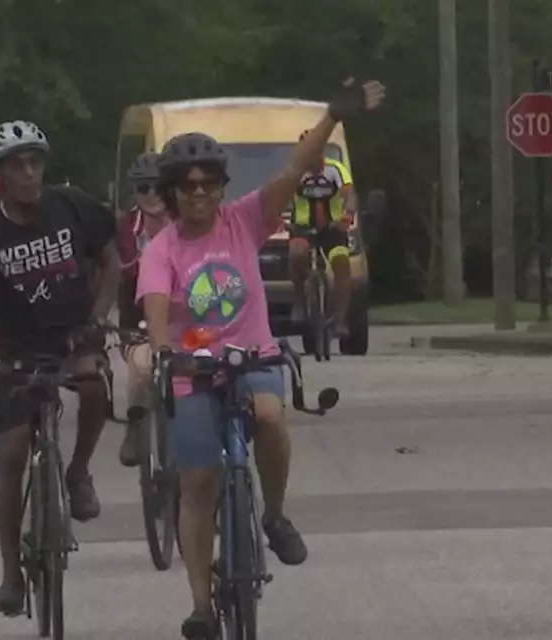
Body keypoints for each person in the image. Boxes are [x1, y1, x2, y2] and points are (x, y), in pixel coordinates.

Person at [136, 79, 385, 639]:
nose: (199, 193)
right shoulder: (163, 249)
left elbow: (292, 172)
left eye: (209, 183)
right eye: (187, 185)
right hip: (192, 370)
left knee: (271, 416)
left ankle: (273, 514)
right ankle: (201, 605)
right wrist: (161, 351)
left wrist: (330, 117)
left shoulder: (244, 220)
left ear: (222, 188)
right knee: (198, 485)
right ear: (172, 193)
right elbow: (155, 308)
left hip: (253, 358)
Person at [0, 120, 120, 616]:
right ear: (0, 174)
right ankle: (12, 571)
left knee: (95, 383)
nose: (29, 173)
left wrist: (96, 321)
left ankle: (77, 473)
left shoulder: (72, 205)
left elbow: (113, 264)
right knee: (11, 452)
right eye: (17, 165)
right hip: (16, 348)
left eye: (35, 162)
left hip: (73, 333)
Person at [115, 151, 169, 467]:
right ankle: (136, 426)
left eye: (160, 187)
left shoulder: (187, 222)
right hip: (138, 321)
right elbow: (121, 268)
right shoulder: (125, 229)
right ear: (134, 192)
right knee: (143, 367)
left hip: (186, 319)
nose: (153, 195)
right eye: (144, 187)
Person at [287, 130, 359, 337]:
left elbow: (349, 193)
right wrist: (276, 218)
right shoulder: (294, 172)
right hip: (302, 227)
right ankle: (300, 301)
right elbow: (280, 196)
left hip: (332, 227)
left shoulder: (335, 169)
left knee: (342, 264)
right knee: (297, 253)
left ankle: (339, 319)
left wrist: (348, 215)